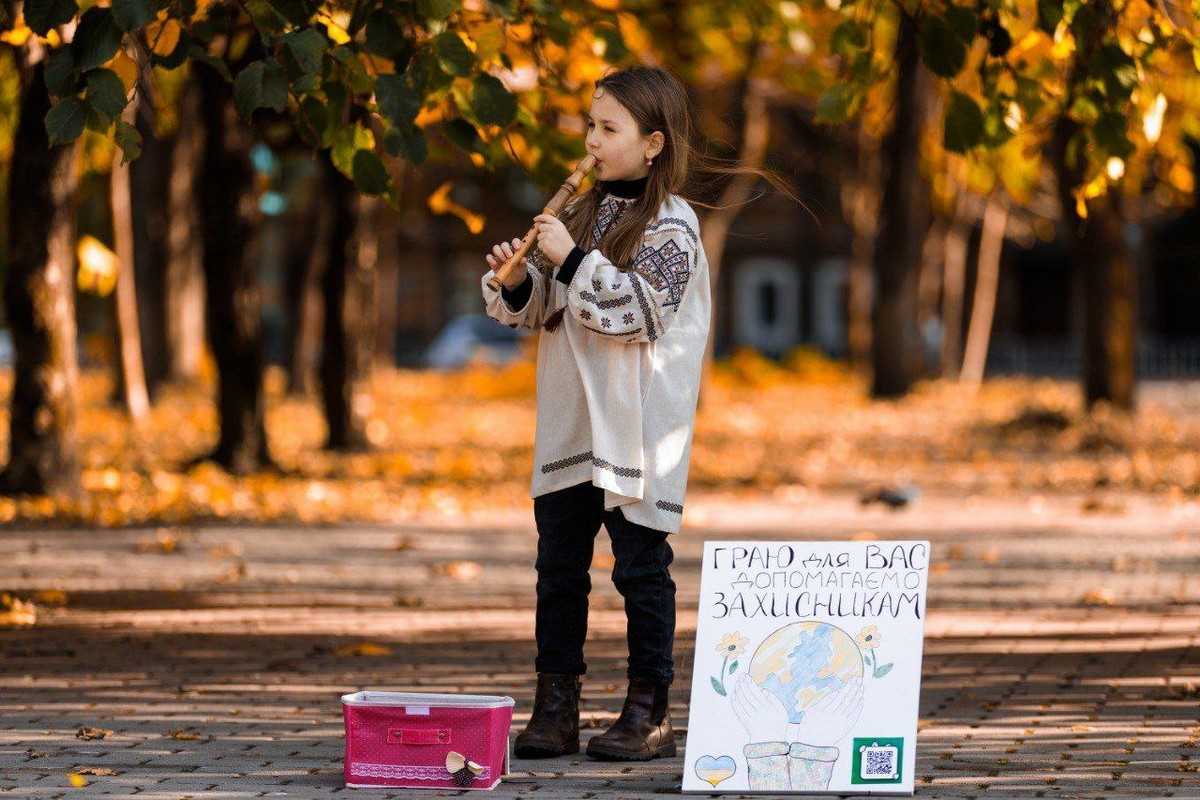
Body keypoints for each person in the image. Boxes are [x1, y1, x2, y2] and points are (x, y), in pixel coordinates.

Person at [480, 64, 801, 762]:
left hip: (637, 428)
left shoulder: (673, 224)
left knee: (639, 569)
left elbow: (636, 314)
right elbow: (549, 311)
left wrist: (567, 264)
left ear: (652, 143)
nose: (591, 140)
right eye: (589, 125)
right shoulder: (576, 214)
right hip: (572, 424)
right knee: (559, 567)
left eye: (608, 128)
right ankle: (555, 705)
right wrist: (517, 283)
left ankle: (648, 710)